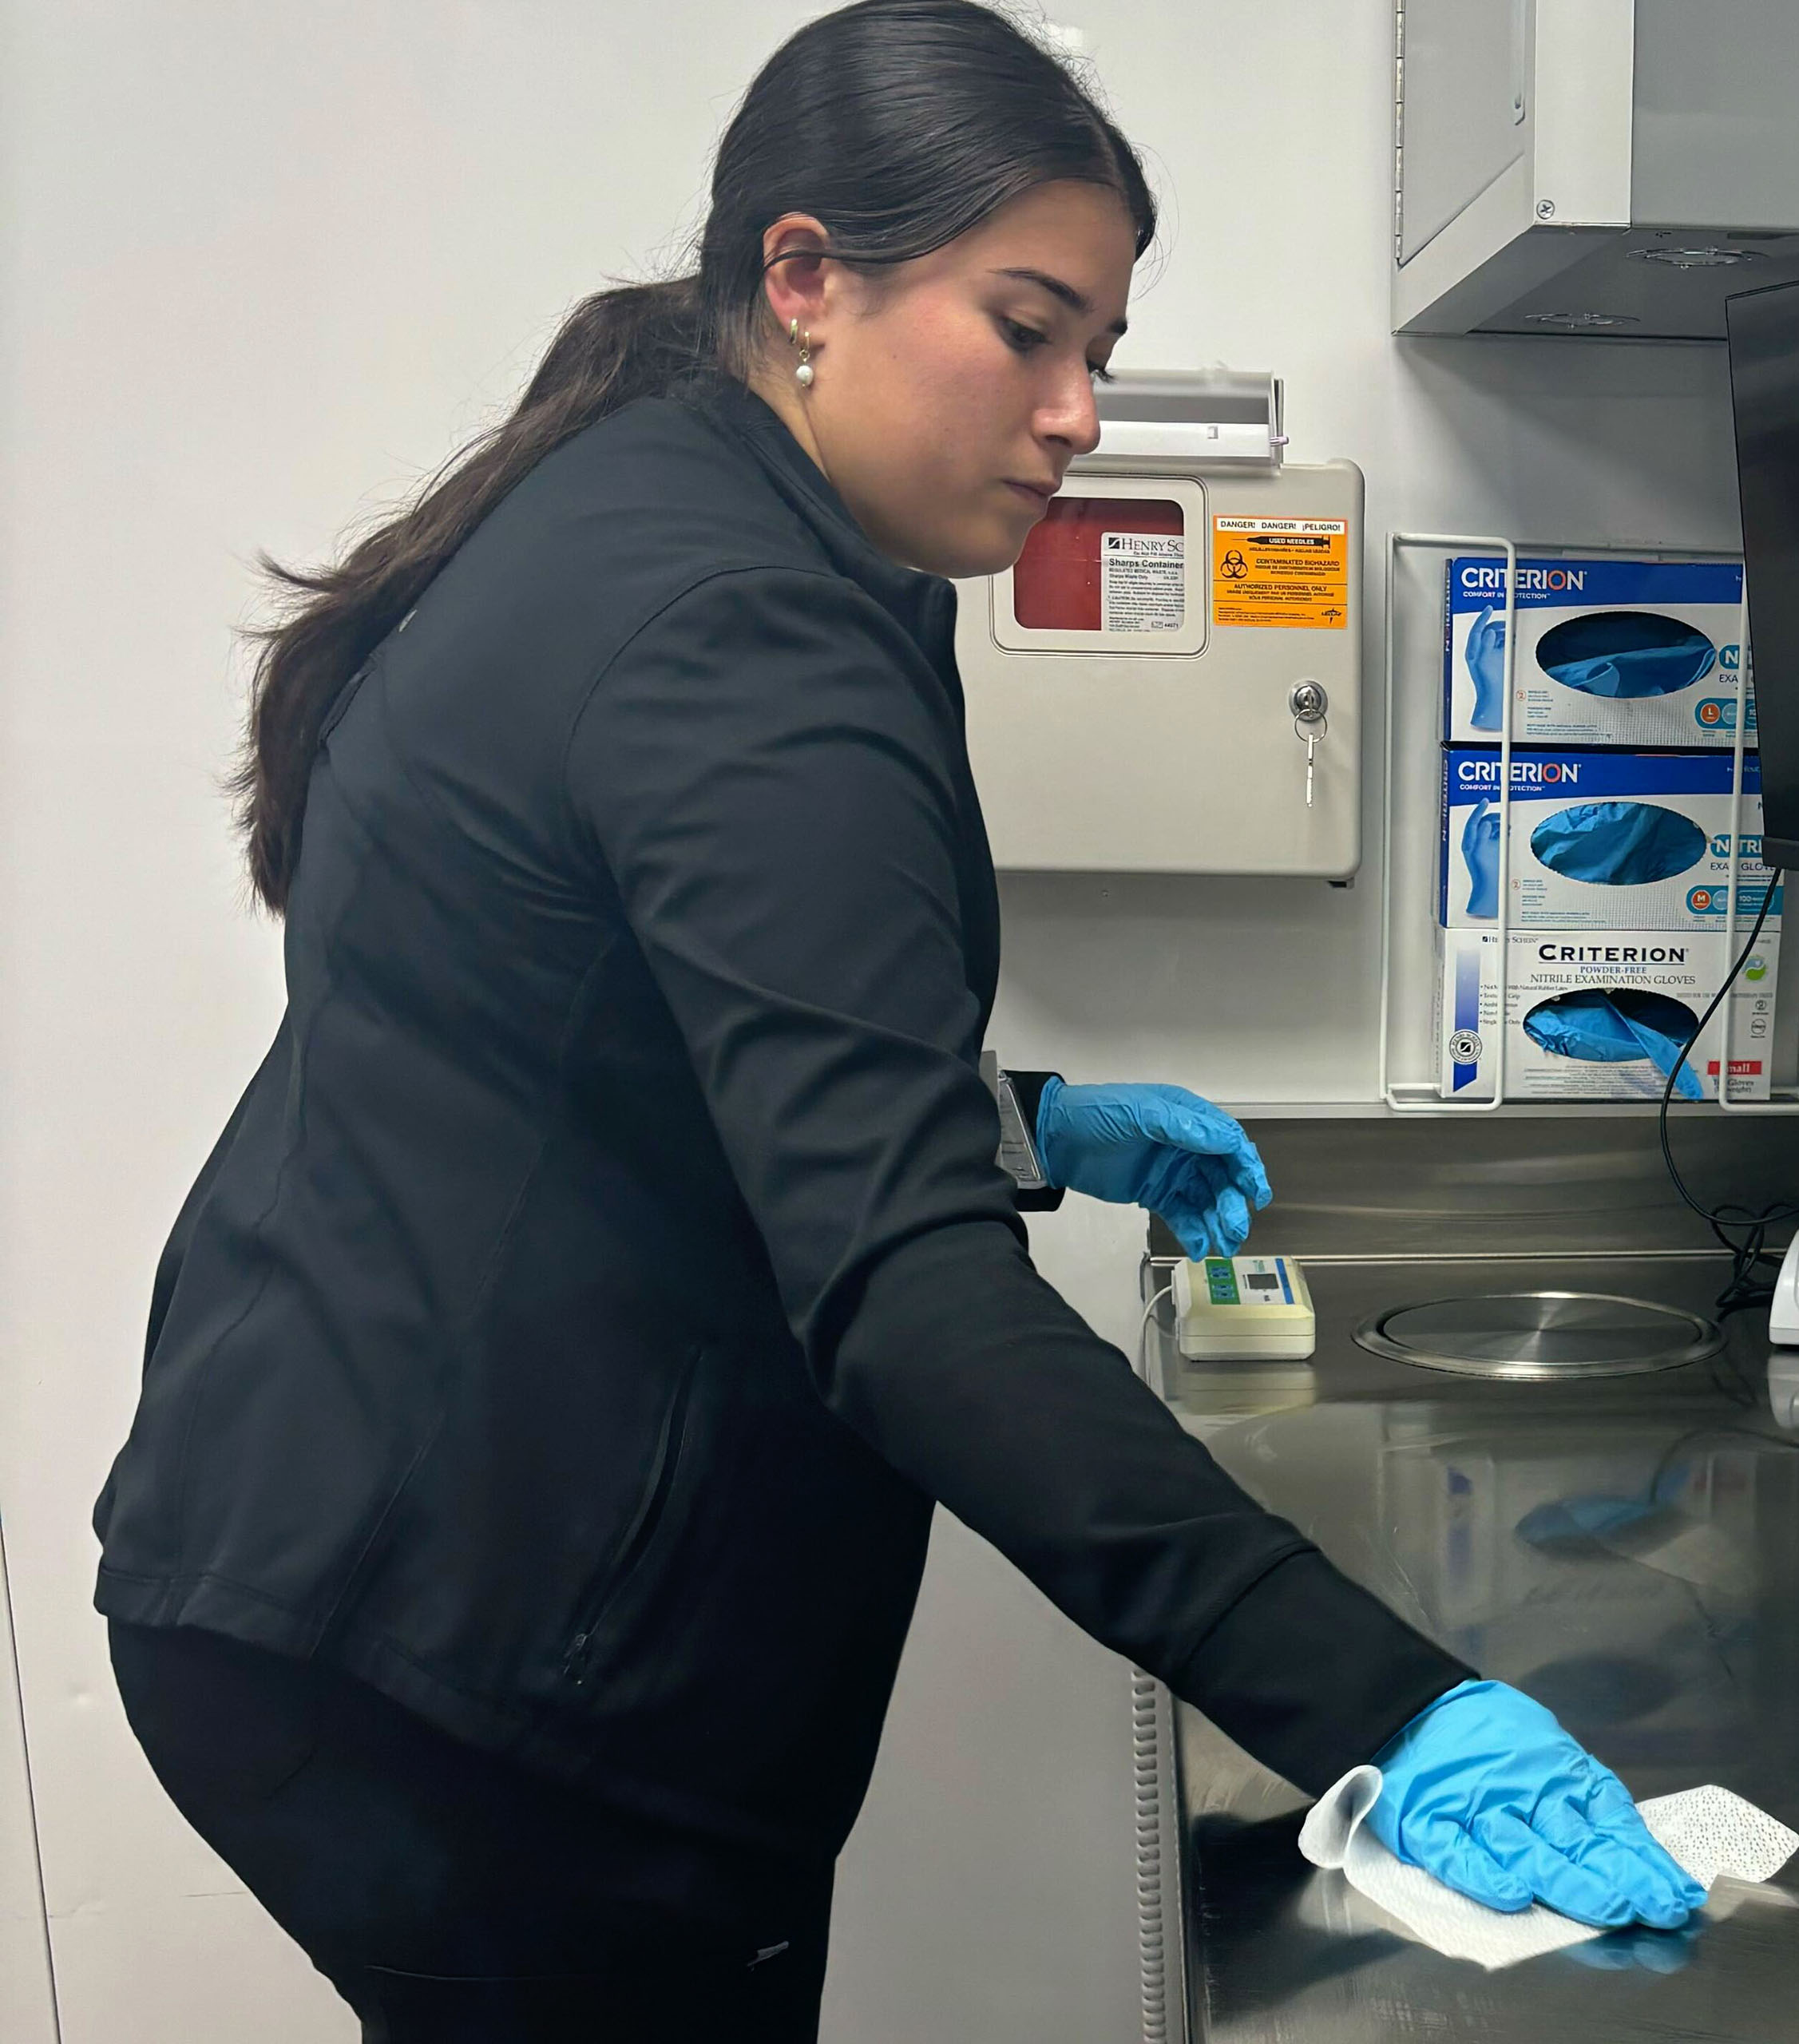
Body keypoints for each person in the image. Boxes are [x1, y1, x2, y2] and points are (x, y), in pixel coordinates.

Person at [92, 5, 1702, 2034]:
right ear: (802, 279)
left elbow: (617, 1029)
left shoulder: (665, 506)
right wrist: (1396, 1705)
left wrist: (1016, 1122)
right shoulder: (739, 629)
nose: (1079, 410)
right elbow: (903, 1297)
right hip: (464, 1656)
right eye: (1027, 327)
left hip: (338, 1555)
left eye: (1099, 348)